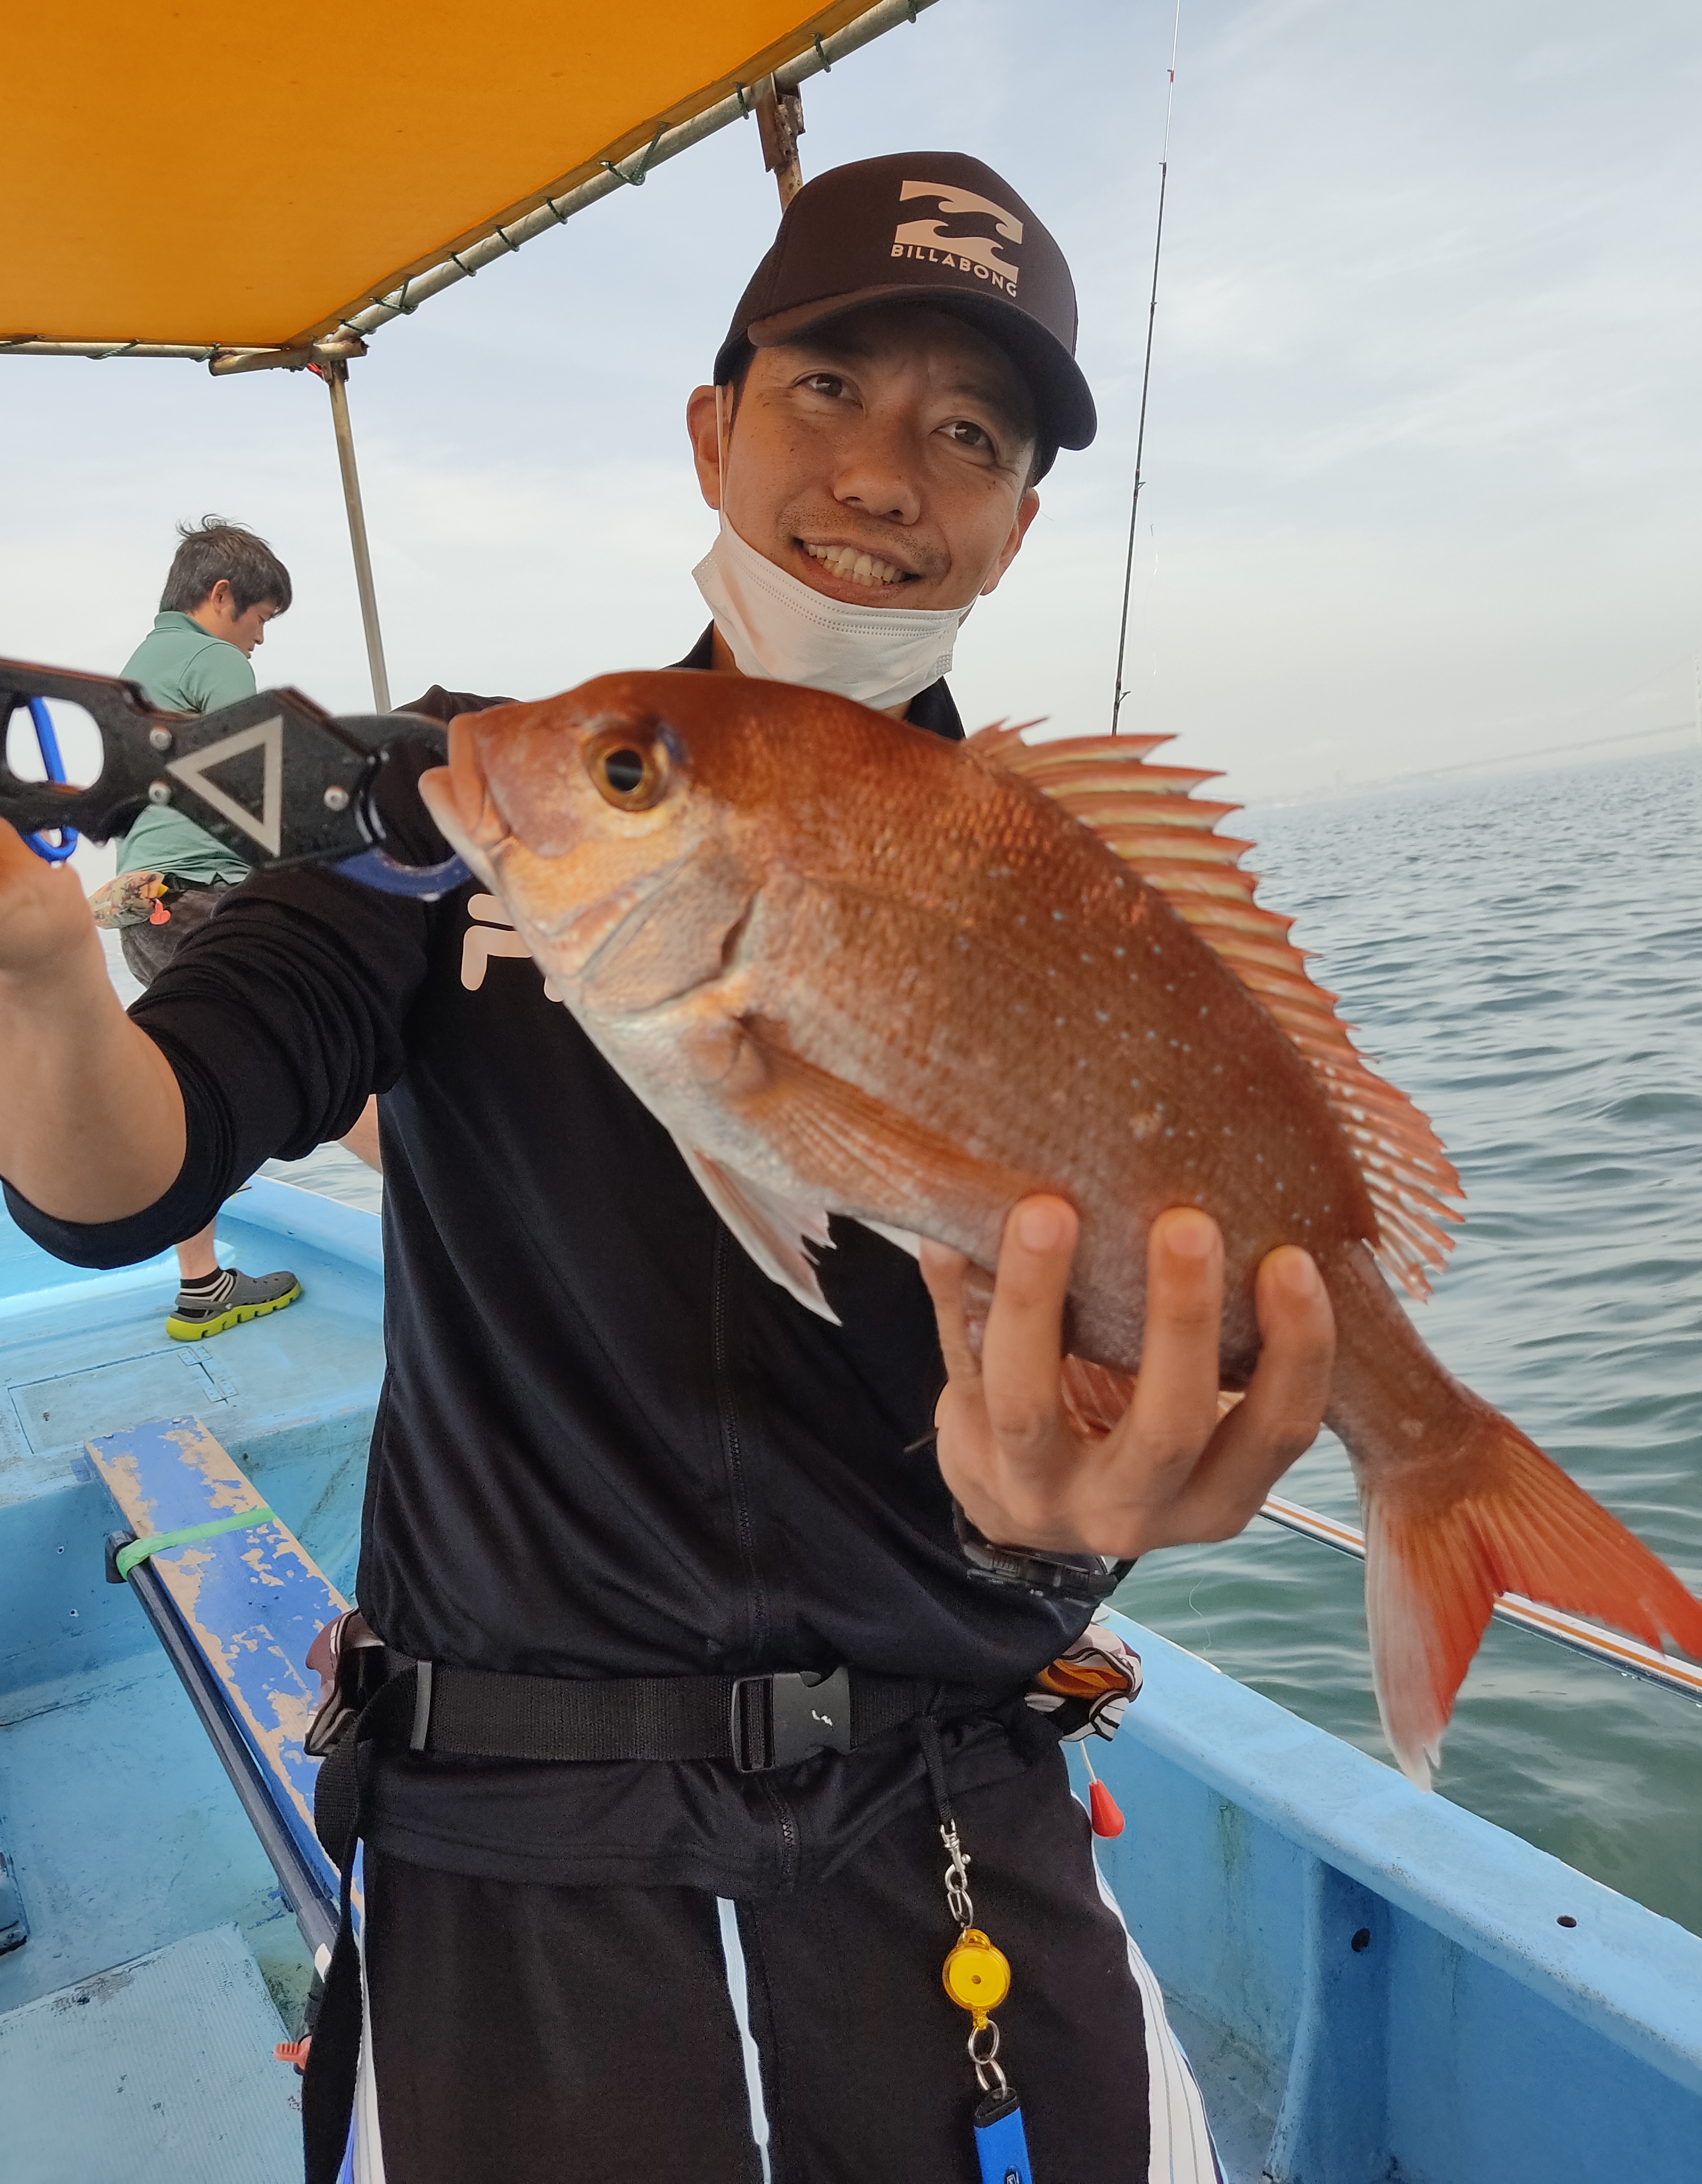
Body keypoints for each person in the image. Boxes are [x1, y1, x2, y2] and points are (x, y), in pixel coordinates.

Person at [0, 156, 1335, 2183]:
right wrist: (39, 985)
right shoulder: (475, 793)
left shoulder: (1058, 895)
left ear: (1015, 525)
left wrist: (1068, 1533)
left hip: (950, 1823)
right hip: (509, 1856)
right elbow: (132, 1169)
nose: (883, 474)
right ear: (712, 432)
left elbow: (1126, 1375)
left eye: (970, 436)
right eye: (828, 389)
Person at [95, 517, 306, 1338]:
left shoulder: (142, 665)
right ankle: (455, 1234)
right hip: (201, 896)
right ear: (222, 597)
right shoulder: (214, 658)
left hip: (145, 906)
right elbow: (258, 782)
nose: (259, 640)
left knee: (195, 1081)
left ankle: (202, 1284)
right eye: (261, 618)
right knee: (330, 1046)